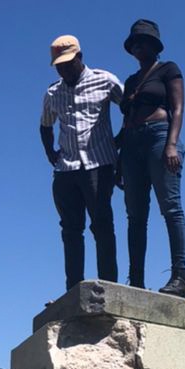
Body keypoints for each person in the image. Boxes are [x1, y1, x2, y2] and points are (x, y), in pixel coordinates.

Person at [40, 34, 123, 292]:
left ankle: (109, 284)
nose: (64, 69)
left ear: (80, 57)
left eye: (68, 63)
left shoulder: (105, 80)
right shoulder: (53, 93)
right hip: (66, 169)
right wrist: (50, 153)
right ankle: (73, 288)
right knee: (70, 230)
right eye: (59, 65)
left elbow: (130, 109)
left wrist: (118, 141)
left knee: (102, 224)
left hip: (99, 165)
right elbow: (44, 126)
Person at [119, 18, 185, 297]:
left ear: (154, 45)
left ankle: (179, 276)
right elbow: (125, 121)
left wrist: (171, 145)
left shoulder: (169, 69)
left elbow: (179, 108)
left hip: (160, 137)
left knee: (170, 207)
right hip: (131, 144)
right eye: (134, 42)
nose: (138, 47)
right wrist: (118, 160)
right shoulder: (131, 81)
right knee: (135, 216)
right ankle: (135, 279)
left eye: (143, 41)